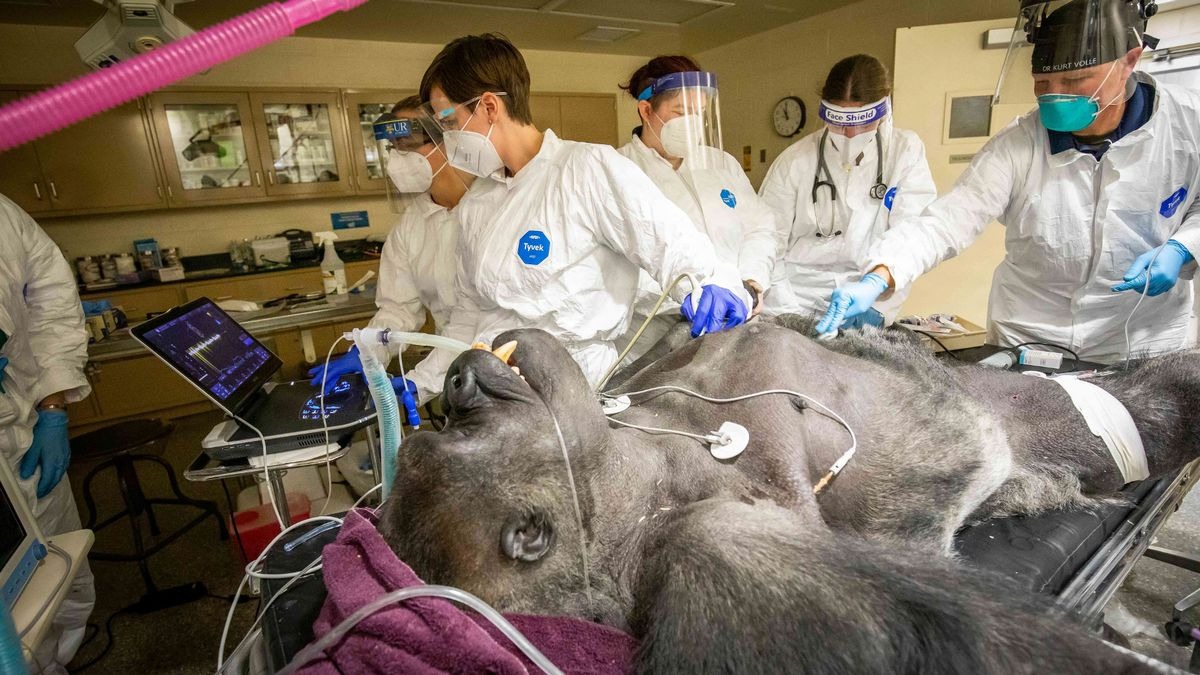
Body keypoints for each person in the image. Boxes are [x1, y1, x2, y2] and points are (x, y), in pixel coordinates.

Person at [816, 0, 1200, 364]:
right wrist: (876, 277)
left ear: (1129, 61)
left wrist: (1184, 247)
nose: (1055, 97)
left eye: (1075, 80)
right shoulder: (1018, 145)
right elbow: (946, 221)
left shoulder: (1188, 125)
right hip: (1031, 337)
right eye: (1043, 84)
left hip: (1145, 341)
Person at [417, 34, 752, 386]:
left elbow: (674, 243)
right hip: (498, 386)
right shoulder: (478, 203)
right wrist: (419, 381)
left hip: (580, 387)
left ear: (488, 107)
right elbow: (469, 315)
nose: (448, 138)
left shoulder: (586, 169)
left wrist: (715, 285)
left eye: (450, 122)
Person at [308, 96, 478, 413]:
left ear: (449, 140)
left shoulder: (491, 211)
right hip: (453, 383)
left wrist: (423, 379)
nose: (399, 157)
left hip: (504, 371)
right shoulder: (411, 226)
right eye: (394, 146)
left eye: (409, 143)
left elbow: (481, 319)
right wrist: (367, 353)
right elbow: (398, 310)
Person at [615, 56, 779, 360]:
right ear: (646, 110)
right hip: (657, 339)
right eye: (681, 113)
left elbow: (760, 227)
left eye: (699, 113)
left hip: (738, 323)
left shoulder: (722, 164)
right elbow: (618, 268)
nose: (693, 123)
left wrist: (751, 282)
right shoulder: (618, 171)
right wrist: (692, 293)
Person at [758, 54, 936, 328]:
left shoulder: (904, 153)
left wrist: (878, 306)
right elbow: (766, 244)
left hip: (867, 300)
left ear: (884, 109)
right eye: (840, 123)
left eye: (863, 123)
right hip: (795, 298)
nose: (851, 135)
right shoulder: (794, 161)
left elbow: (911, 238)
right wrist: (790, 317)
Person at [0, 193, 95, 674]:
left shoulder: (4, 217)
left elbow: (52, 303)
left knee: (54, 576)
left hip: (19, 432)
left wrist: (52, 405)